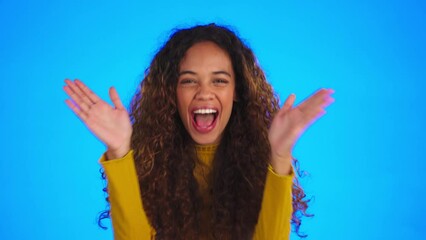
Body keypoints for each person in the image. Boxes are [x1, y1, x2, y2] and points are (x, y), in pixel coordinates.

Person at [63, 23, 334, 239]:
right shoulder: (152, 165)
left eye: (219, 80)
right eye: (189, 80)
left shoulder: (258, 165)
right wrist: (120, 151)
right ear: (172, 93)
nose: (204, 92)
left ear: (236, 92)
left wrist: (280, 154)